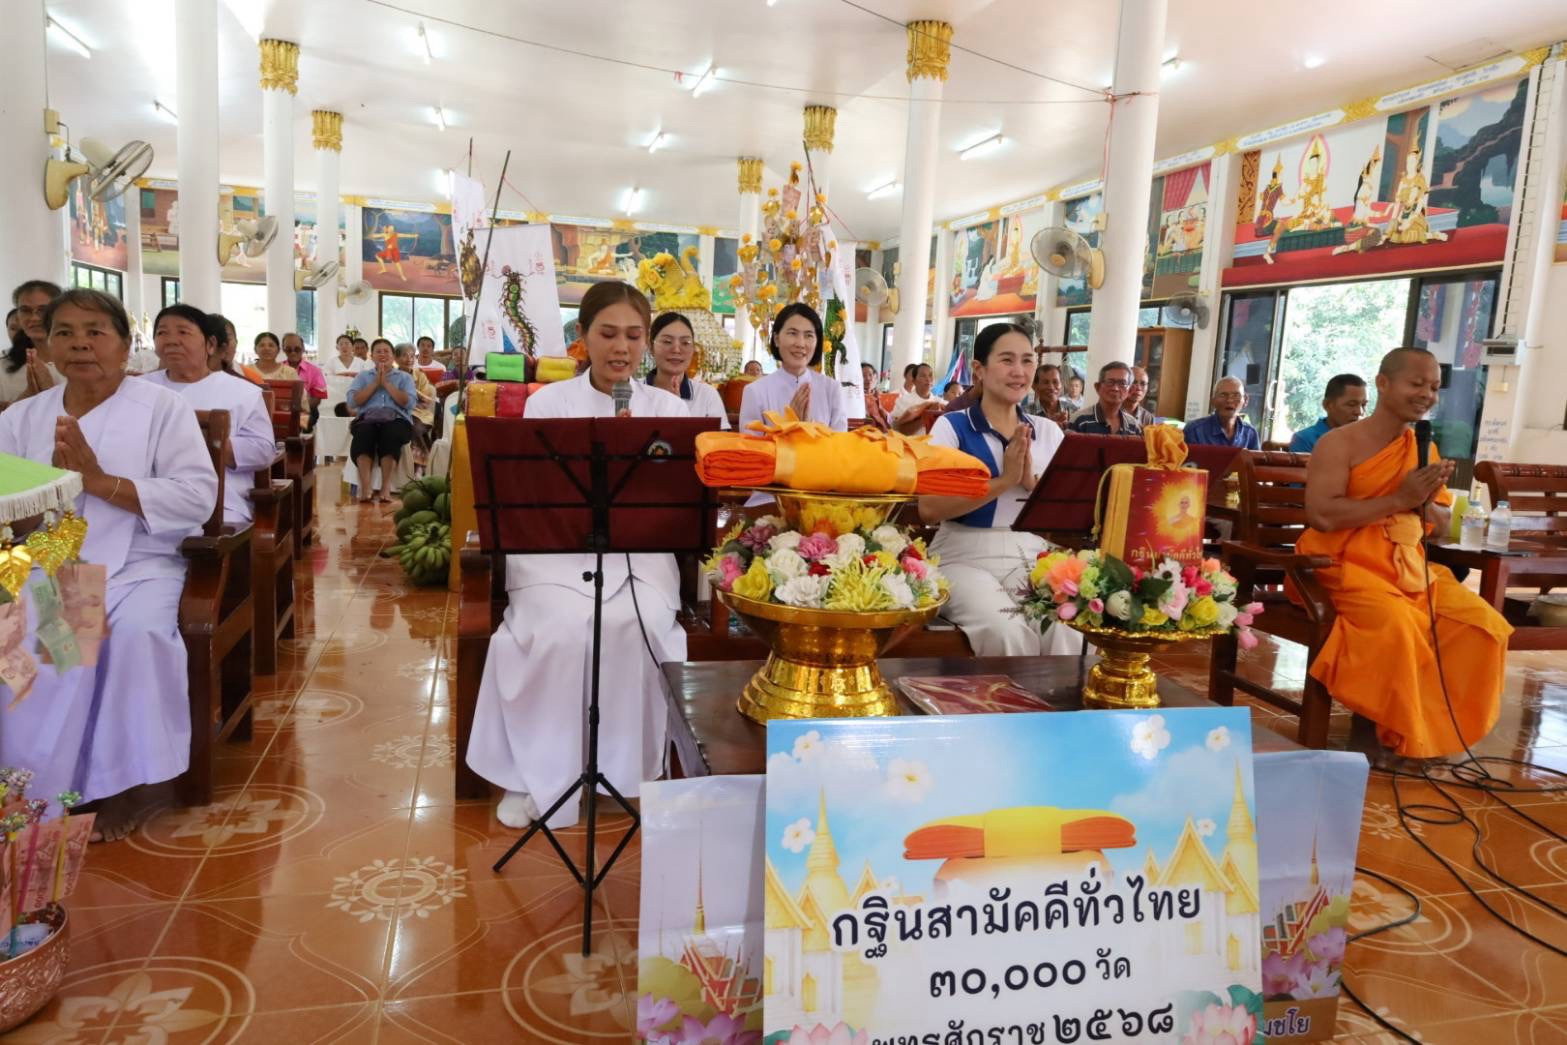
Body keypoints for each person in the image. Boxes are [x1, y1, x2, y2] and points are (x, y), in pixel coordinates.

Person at [468, 281, 690, 830]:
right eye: (607, 334)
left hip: (640, 553)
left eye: (633, 336)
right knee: (561, 629)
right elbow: (527, 493)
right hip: (554, 552)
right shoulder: (549, 403)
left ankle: (619, 768)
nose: (621, 347)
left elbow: (684, 498)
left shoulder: (667, 407)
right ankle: (536, 773)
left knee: (631, 626)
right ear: (583, 338)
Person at [0, 289, 217, 841]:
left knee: (138, 635)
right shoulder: (24, 418)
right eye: (65, 332)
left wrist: (97, 482)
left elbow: (196, 496)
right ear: (44, 346)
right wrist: (40, 500)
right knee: (31, 640)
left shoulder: (162, 409)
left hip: (144, 559)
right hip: (56, 558)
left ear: (124, 345)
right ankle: (40, 784)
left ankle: (116, 786)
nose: (80, 344)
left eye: (95, 331)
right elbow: (10, 513)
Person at [1297, 347, 1511, 761]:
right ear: (1383, 383)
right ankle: (1384, 730)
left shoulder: (1422, 448)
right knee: (1395, 625)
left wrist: (1425, 502)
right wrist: (1400, 498)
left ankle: (1434, 734)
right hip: (1343, 567)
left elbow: (1443, 525)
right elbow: (1322, 515)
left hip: (1409, 570)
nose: (1427, 395)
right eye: (1417, 384)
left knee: (1484, 626)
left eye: (1433, 387)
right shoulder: (1338, 444)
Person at [918, 323, 1080, 657]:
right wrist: (1004, 481)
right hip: (963, 553)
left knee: (1065, 630)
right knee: (1005, 632)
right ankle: (1009, 710)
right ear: (979, 369)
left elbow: (1068, 515)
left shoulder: (1048, 431)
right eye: (1007, 360)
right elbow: (930, 508)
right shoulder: (953, 427)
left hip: (1033, 553)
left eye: (1027, 361)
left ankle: (1062, 709)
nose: (1018, 372)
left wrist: (1032, 484)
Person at [140, 304, 276, 527]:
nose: (172, 340)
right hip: (142, 498)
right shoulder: (137, 389)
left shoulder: (243, 392)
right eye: (162, 333)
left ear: (210, 345)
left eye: (183, 332)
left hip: (219, 501)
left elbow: (263, 451)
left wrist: (207, 442)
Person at [738, 303, 846, 432]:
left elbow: (839, 446)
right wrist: (789, 424)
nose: (800, 343)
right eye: (792, 333)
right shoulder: (755, 391)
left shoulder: (832, 389)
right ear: (777, 339)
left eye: (809, 335)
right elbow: (752, 448)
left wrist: (808, 427)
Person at [346, 339, 416, 504]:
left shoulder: (404, 377)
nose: (382, 354)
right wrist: (375, 384)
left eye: (386, 351)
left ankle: (385, 487)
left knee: (391, 434)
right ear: (372, 356)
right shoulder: (363, 376)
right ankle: (366, 486)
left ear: (393, 356)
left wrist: (386, 383)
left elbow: (409, 403)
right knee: (363, 433)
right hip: (368, 418)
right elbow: (352, 402)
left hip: (397, 419)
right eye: (378, 351)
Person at [646, 312, 728, 427]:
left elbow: (720, 442)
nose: (676, 350)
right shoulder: (633, 392)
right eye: (667, 342)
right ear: (650, 346)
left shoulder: (706, 395)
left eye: (685, 343)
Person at [5, 280, 63, 403]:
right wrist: (28, 393)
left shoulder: (83, 361)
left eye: (43, 310)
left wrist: (50, 391)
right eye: (25, 310)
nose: (34, 318)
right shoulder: (3, 367)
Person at [1290, 374, 1368, 453]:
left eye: (1363, 405)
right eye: (1351, 404)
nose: (1359, 412)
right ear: (1327, 405)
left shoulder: (1367, 440)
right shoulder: (1305, 439)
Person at [1184, 376, 1261, 449]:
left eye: (1236, 395)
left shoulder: (1250, 433)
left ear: (1245, 400)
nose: (1229, 400)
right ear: (1213, 400)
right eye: (1223, 395)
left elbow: (1256, 462)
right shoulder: (1194, 430)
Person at [1068, 362, 1143, 436]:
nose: (1115, 388)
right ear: (1097, 387)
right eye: (1110, 382)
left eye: (1122, 383)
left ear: (1129, 391)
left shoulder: (1133, 425)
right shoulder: (1079, 420)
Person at [393, 341, 438, 461]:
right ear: (396, 359)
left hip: (420, 414)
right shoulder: (391, 376)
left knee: (413, 426)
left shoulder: (420, 375)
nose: (409, 359)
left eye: (412, 356)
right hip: (397, 413)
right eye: (404, 355)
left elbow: (426, 402)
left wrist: (411, 394)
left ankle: (420, 463)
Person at [282, 332, 327, 431]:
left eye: (297, 349)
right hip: (281, 409)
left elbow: (317, 399)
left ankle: (302, 444)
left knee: (301, 424)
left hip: (307, 411)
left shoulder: (315, 370)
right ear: (283, 350)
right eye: (289, 349)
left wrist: (297, 409)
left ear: (303, 348)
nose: (293, 353)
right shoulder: (278, 369)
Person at [891, 363, 943, 435]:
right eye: (923, 376)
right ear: (914, 381)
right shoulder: (903, 401)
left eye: (930, 375)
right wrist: (926, 416)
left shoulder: (939, 402)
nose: (928, 379)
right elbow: (897, 429)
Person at [1022, 362, 1071, 428]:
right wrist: (1049, 424)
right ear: (1034, 386)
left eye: (1055, 382)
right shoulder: (1025, 413)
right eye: (1045, 383)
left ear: (1061, 385)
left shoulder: (1072, 410)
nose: (1051, 387)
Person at [861, 361, 891, 430]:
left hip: (886, 430)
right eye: (863, 376)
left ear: (874, 376)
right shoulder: (858, 397)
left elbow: (890, 418)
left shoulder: (878, 394)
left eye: (870, 375)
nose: (868, 378)